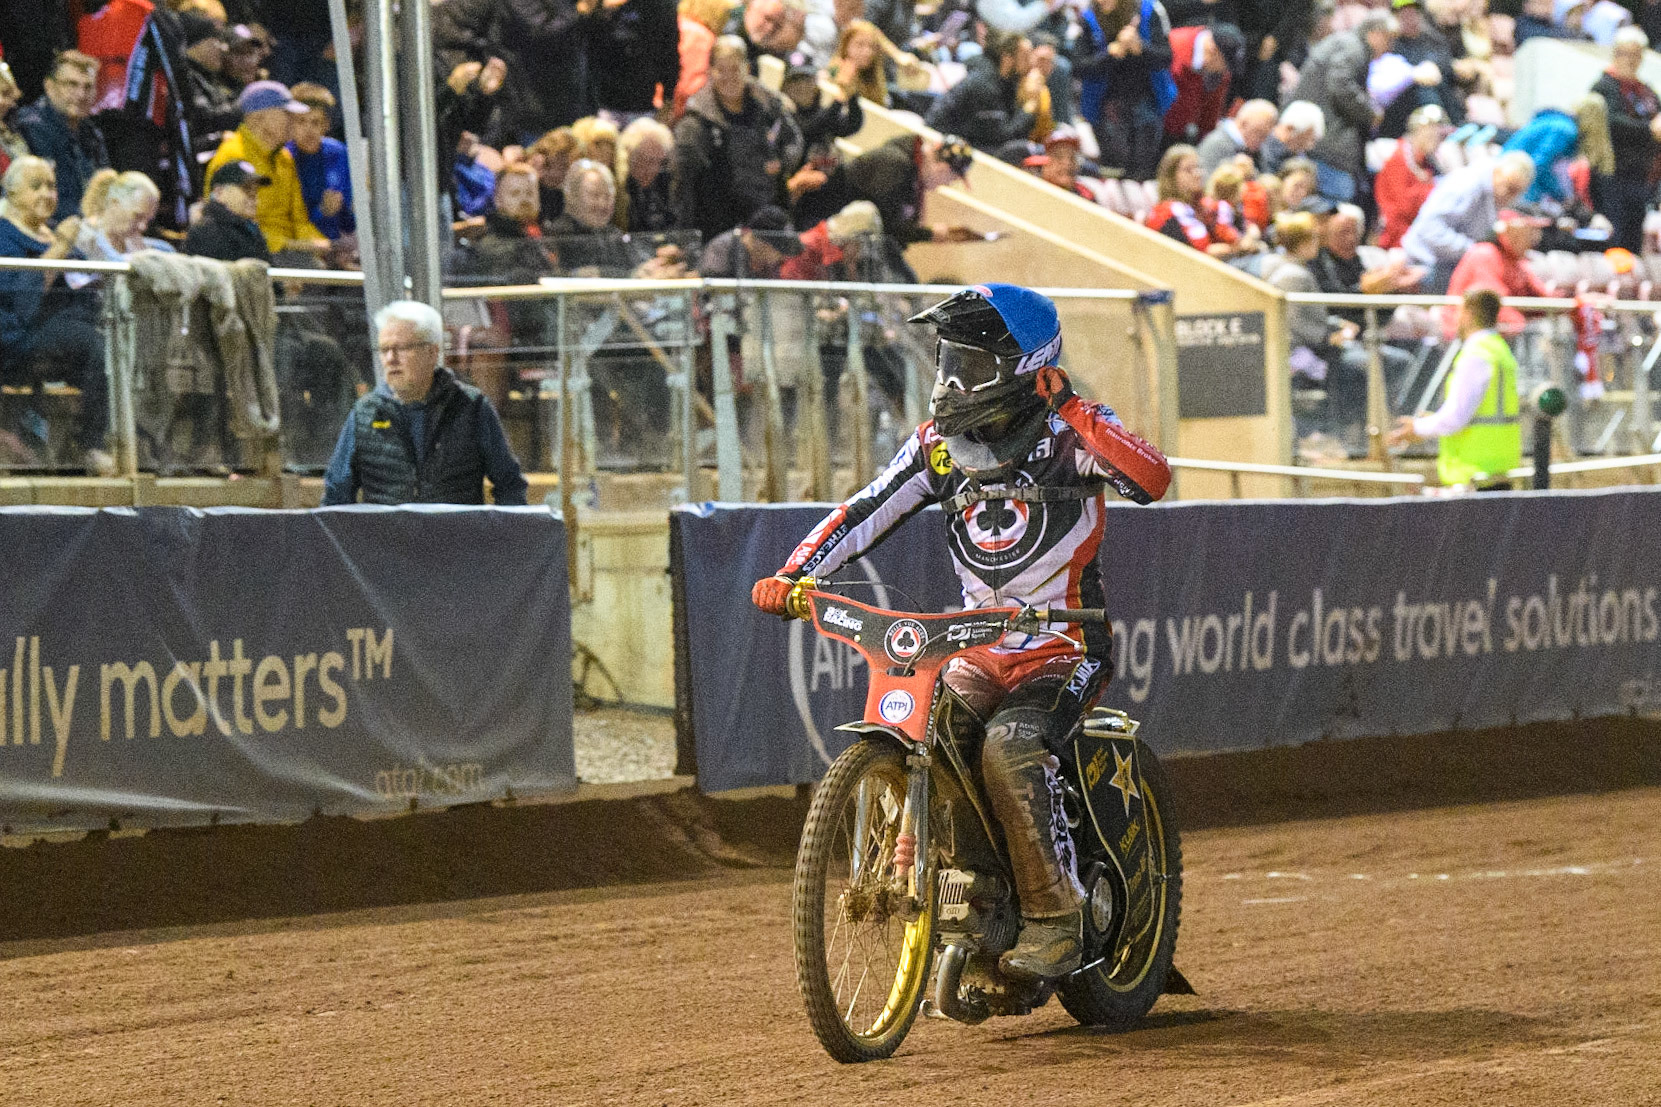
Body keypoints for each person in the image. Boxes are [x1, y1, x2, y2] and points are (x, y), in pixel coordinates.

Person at [750, 283, 1171, 980]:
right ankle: (980, 902)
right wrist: (795, 573)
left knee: (1011, 747)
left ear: (1022, 365)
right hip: (976, 648)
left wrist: (1067, 404)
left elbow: (1149, 477)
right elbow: (863, 511)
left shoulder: (1071, 432)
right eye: (946, 361)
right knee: (938, 734)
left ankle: (1056, 915)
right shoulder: (937, 448)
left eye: (969, 366)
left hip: (1063, 644)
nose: (950, 382)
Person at [322, 300, 528, 506]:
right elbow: (336, 494)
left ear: (431, 353)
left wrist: (497, 535)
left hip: (458, 537)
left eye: (402, 348)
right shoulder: (365, 413)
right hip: (386, 538)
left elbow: (509, 485)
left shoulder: (471, 407)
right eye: (384, 349)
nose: (390, 358)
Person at [0, 156, 111, 473]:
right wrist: (61, 245)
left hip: (67, 330)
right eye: (36, 186)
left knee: (120, 346)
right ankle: (91, 446)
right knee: (96, 346)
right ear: (12, 193)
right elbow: (22, 300)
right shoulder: (5, 234)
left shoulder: (53, 233)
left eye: (52, 186)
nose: (47, 195)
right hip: (19, 336)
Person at [671, 35, 804, 241]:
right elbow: (683, 180)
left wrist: (783, 162)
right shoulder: (696, 121)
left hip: (768, 211)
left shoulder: (769, 106)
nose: (729, 77)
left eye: (735, 68)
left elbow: (793, 139)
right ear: (710, 72)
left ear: (747, 69)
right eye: (721, 69)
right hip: (719, 221)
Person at [1387, 288, 1519, 489]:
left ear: (1469, 313)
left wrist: (1417, 428)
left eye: (1459, 311)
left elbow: (1455, 417)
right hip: (1497, 470)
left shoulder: (1477, 354)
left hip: (1473, 474)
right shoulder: (1499, 349)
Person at [204, 80, 331, 263]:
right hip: (252, 255)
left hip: (291, 251)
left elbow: (299, 221)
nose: (293, 120)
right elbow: (234, 230)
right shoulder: (234, 157)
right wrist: (294, 245)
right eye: (286, 114)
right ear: (258, 118)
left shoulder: (284, 158)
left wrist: (323, 245)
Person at [1287, 12, 1397, 202]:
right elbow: (1340, 85)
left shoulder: (1347, 43)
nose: (1390, 48)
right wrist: (1370, 112)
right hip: (1327, 142)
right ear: (1376, 33)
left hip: (1320, 137)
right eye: (1389, 40)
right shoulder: (1353, 47)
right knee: (1335, 198)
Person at [1402, 151, 1534, 293]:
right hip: (1424, 264)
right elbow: (1430, 229)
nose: (1510, 196)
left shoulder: (1493, 194)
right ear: (1497, 172)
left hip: (1448, 264)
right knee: (1488, 290)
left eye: (1517, 192)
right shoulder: (1467, 185)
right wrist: (1474, 252)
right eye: (1510, 187)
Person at [1073, 0, 1176, 181]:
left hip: (1147, 103)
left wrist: (1140, 47)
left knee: (1142, 170)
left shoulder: (1150, 10)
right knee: (1114, 170)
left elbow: (1166, 57)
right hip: (1106, 108)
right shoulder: (1087, 18)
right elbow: (1079, 67)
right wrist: (1110, 55)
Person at [1590, 26, 1661, 253]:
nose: (1630, 60)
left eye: (1636, 55)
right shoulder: (1603, 87)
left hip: (1642, 177)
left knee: (1634, 242)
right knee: (1614, 239)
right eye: (1625, 54)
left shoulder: (1647, 92)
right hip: (1612, 177)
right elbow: (1611, 123)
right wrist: (1649, 129)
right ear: (1615, 54)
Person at [14, 51, 108, 222]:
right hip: (53, 225)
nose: (81, 95)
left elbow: (107, 188)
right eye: (71, 85)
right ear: (49, 86)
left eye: (88, 87)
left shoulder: (92, 132)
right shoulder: (32, 126)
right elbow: (46, 199)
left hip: (91, 224)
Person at [925, 31, 1044, 153]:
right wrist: (1030, 106)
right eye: (1025, 57)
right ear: (1007, 59)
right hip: (939, 147)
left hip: (967, 145)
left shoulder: (1006, 83)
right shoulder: (985, 85)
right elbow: (1002, 137)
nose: (1031, 64)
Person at [1440, 208, 1549, 339]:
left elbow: (1542, 297)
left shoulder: (1517, 261)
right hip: (1465, 339)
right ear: (1510, 231)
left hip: (1495, 334)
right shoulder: (1485, 254)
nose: (1535, 238)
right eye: (1529, 230)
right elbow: (1492, 303)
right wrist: (1522, 327)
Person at [286, 82, 354, 245]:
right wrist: (321, 212)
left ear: (326, 125)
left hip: (337, 242)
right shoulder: (284, 156)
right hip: (299, 244)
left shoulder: (338, 152)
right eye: (301, 122)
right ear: (290, 124)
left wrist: (344, 208)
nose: (308, 130)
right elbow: (286, 218)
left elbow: (350, 222)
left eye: (315, 122)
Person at [1375, 103, 1449, 249]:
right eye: (1434, 133)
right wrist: (1433, 192)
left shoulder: (1427, 162)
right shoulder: (1399, 158)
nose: (1438, 140)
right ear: (1420, 130)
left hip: (1417, 236)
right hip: (1396, 240)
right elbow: (1405, 207)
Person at [1146, 143, 1237, 255]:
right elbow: (1202, 251)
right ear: (1171, 177)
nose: (1197, 174)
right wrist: (1237, 248)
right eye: (1189, 170)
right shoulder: (1170, 210)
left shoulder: (1201, 205)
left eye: (1198, 167)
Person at [1163, 25, 1242, 147]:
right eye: (1225, 64)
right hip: (1157, 125)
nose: (1225, 71)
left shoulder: (1219, 74)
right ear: (1213, 50)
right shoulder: (1173, 45)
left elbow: (1211, 113)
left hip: (1182, 136)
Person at [184, 159, 273, 263]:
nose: (253, 197)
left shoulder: (248, 228)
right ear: (219, 192)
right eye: (247, 189)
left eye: (255, 190)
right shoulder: (206, 232)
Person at [616, 117, 678, 232]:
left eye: (659, 162)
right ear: (629, 156)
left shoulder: (664, 183)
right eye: (647, 161)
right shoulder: (618, 189)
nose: (653, 169)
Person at [1195, 98, 1276, 178]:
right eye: (1259, 133)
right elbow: (1204, 181)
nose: (1262, 141)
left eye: (1266, 136)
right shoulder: (1216, 143)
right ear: (1243, 124)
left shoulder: (1259, 151)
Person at [1256, 99, 1325, 175]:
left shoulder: (1297, 157)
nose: (1309, 147)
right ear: (1290, 129)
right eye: (1304, 140)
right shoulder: (1262, 149)